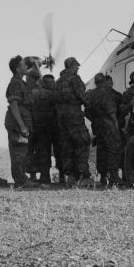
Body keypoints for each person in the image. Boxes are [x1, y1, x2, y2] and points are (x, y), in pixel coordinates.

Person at [55, 57, 93, 188]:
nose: (78, 68)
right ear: (71, 66)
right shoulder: (74, 79)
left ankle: (71, 176)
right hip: (74, 115)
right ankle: (83, 176)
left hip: (61, 117)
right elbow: (81, 96)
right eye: (76, 66)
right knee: (83, 142)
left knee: (67, 145)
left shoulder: (58, 81)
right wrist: (89, 100)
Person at [4, 55, 40, 189]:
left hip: (21, 122)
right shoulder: (16, 83)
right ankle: (21, 180)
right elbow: (14, 104)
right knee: (18, 152)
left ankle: (21, 179)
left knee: (22, 151)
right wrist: (22, 125)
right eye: (24, 65)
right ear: (18, 69)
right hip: (17, 124)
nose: (27, 67)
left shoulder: (21, 82)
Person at [85, 73, 123, 187]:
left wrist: (96, 120)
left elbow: (87, 112)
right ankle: (113, 177)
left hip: (97, 125)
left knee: (101, 151)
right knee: (113, 149)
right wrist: (115, 124)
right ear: (104, 82)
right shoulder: (104, 93)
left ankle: (102, 177)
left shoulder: (91, 94)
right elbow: (111, 111)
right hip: (108, 124)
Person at [30, 73, 61, 185]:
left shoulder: (35, 93)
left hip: (41, 127)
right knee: (58, 152)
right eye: (51, 83)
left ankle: (44, 176)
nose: (53, 84)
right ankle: (61, 177)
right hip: (52, 127)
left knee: (43, 152)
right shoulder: (53, 95)